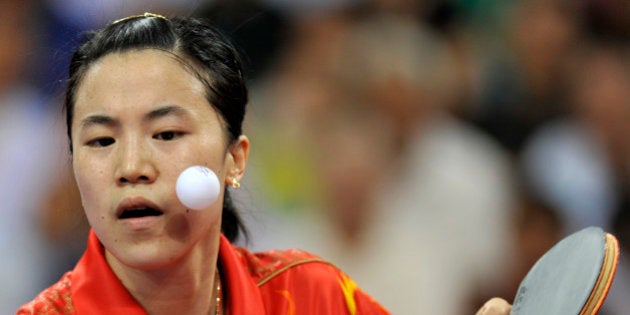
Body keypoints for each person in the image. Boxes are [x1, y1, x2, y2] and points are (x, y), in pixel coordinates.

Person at [16, 13, 511, 315]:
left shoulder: (313, 295)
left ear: (235, 158)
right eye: (100, 140)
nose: (131, 165)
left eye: (166, 133)